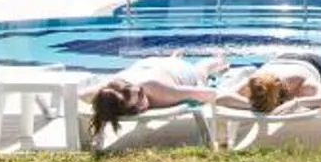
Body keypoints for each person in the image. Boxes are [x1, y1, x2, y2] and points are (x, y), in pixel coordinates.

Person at [85, 52, 232, 142]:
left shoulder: (156, 87)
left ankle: (219, 58)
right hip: (149, 65)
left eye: (140, 94)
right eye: (134, 108)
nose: (142, 105)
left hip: (177, 70)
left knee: (201, 71)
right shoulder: (108, 93)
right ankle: (173, 57)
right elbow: (79, 95)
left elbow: (210, 94)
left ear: (137, 87)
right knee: (170, 64)